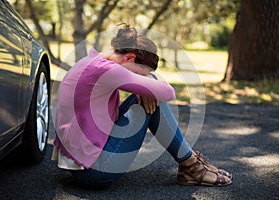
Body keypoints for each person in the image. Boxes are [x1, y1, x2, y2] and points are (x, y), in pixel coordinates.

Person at [51, 25, 232, 189]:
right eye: (138, 74)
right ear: (129, 57)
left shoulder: (92, 61)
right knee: (155, 102)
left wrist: (144, 86)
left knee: (146, 96)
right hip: (95, 172)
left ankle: (191, 163)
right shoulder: (108, 71)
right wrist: (148, 86)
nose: (138, 79)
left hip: (79, 164)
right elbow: (168, 92)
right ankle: (191, 165)